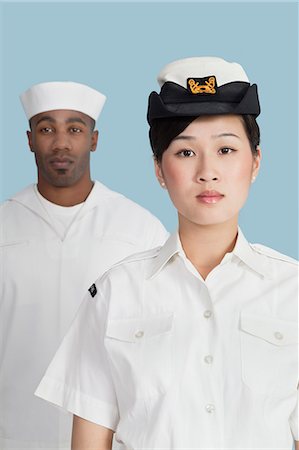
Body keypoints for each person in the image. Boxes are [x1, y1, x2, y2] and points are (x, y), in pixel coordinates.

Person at [35, 58, 298, 449]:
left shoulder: (292, 291)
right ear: (159, 169)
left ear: (255, 162)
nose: (208, 172)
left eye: (226, 149)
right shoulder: (114, 293)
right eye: (185, 153)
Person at [0, 80, 168, 449]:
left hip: (114, 437)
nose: (61, 143)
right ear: (29, 140)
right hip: (14, 434)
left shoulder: (139, 229)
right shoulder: (4, 226)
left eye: (75, 129)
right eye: (47, 129)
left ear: (94, 139)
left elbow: (166, 347)